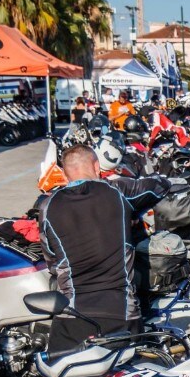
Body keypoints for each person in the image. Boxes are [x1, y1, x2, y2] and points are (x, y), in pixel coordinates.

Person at [35, 145, 171, 355]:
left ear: (63, 173)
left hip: (72, 315)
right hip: (121, 311)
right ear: (97, 166)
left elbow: (52, 261)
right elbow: (159, 186)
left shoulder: (48, 206)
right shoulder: (116, 192)